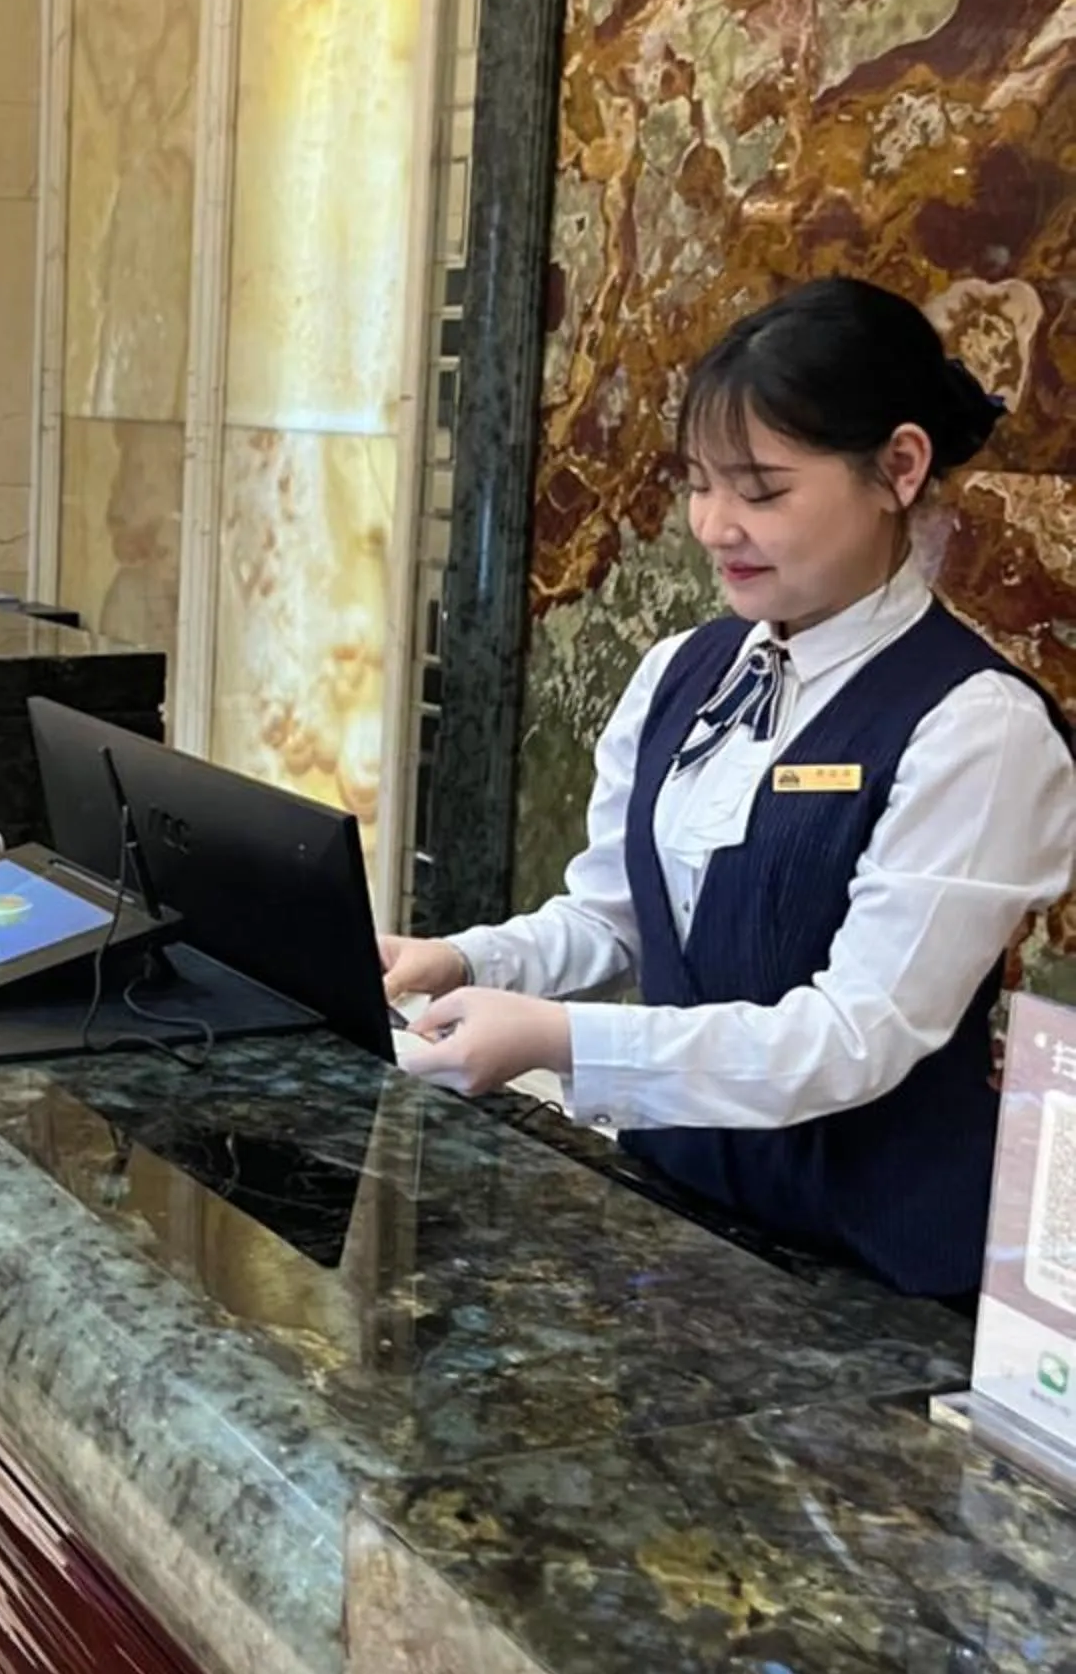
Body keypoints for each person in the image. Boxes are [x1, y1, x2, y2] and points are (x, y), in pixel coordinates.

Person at [385, 276, 1076, 1302]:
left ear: (898, 468)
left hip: (876, 1278)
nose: (713, 526)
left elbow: (855, 1037)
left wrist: (562, 1038)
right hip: (679, 1218)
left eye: (760, 491)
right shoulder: (684, 670)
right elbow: (618, 917)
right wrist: (458, 958)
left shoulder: (979, 728)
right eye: (699, 483)